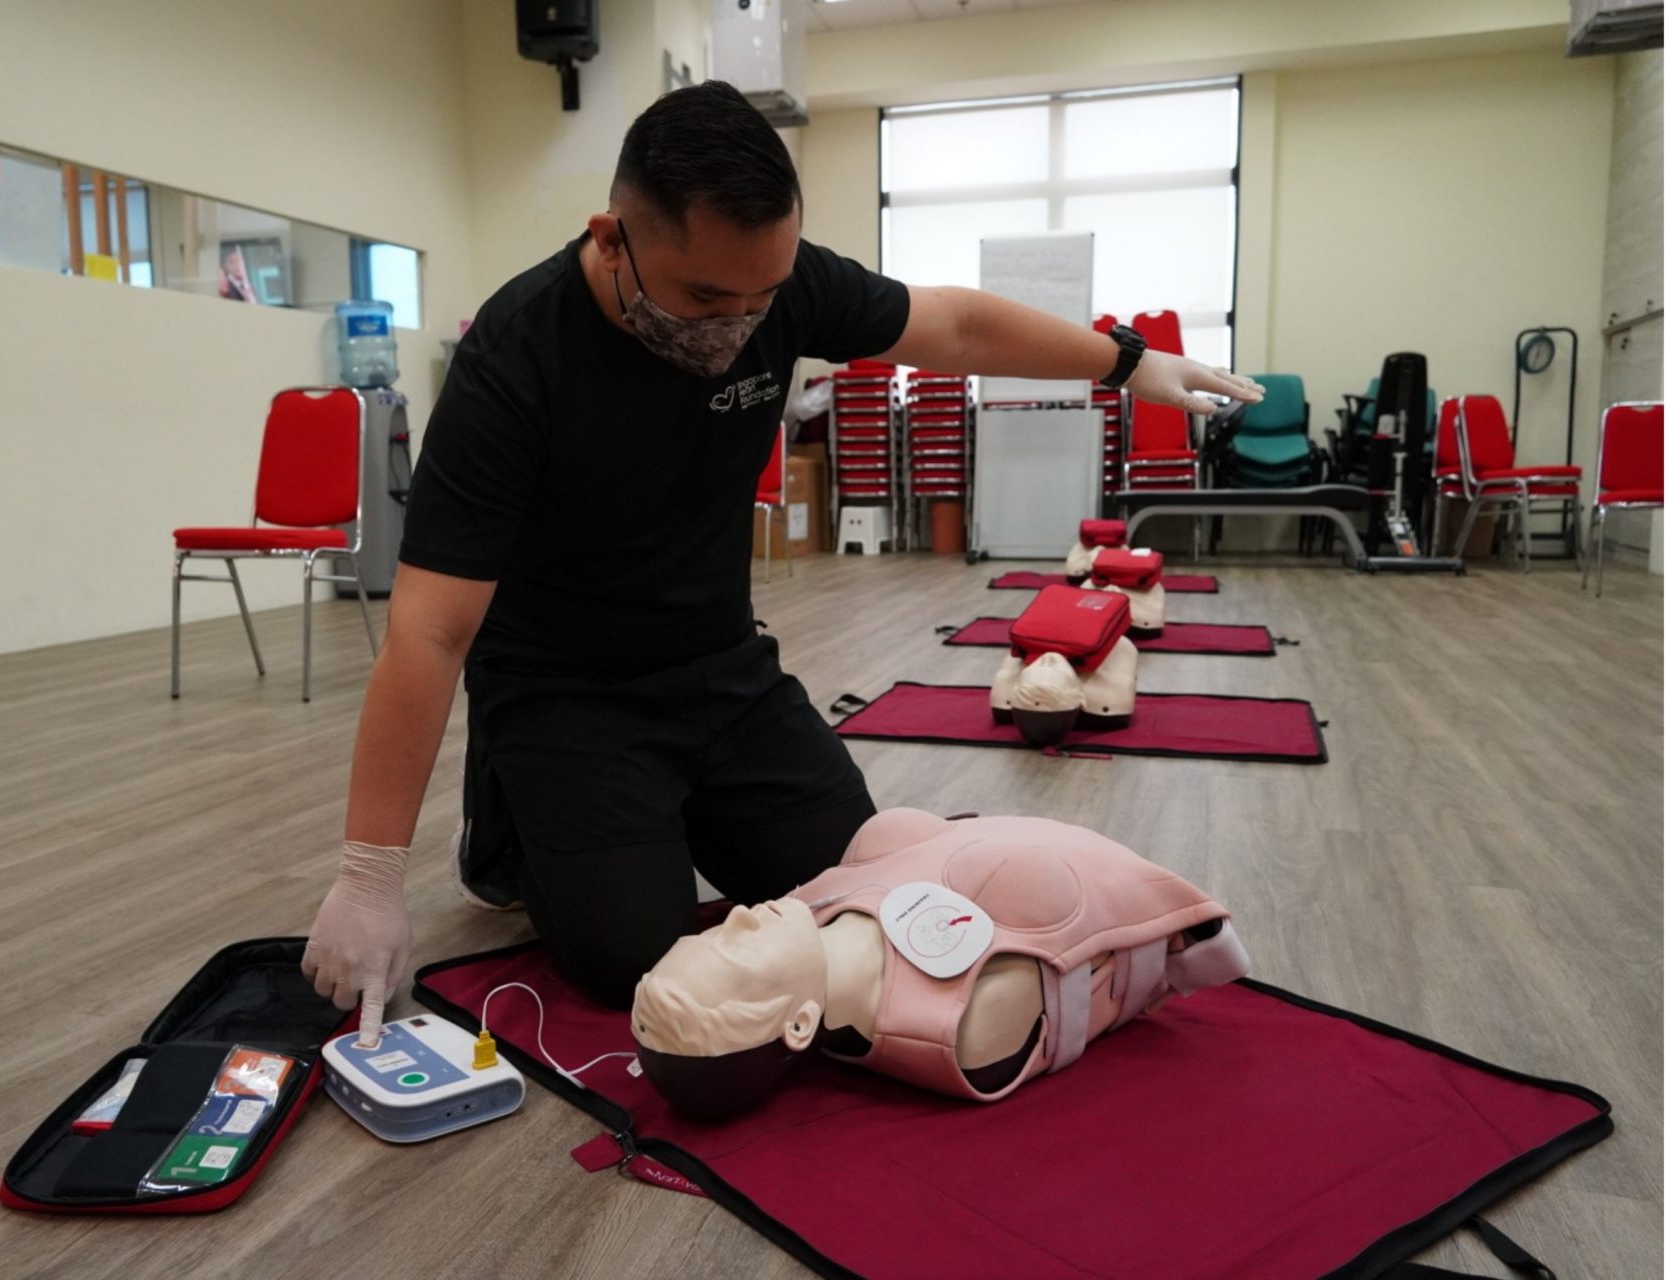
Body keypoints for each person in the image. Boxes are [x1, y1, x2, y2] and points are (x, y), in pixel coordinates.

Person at [303, 81, 1259, 1046]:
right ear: (611, 237)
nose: (737, 326)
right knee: (631, 960)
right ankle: (510, 817)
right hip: (564, 688)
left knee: (863, 893)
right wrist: (369, 878)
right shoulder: (516, 357)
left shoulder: (786, 289)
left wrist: (1128, 363)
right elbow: (430, 629)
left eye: (762, 299)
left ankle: (628, 813)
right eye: (708, 297)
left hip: (722, 670)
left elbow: (956, 326)